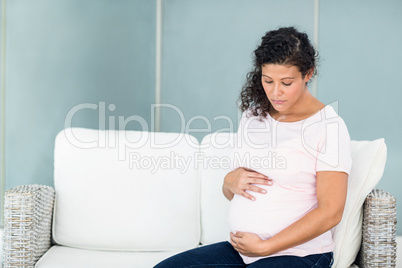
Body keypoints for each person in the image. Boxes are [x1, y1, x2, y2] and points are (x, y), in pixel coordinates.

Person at [154, 26, 352, 268]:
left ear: (308, 74)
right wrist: (228, 183)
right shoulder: (253, 116)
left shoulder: (328, 126)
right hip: (243, 251)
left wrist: (266, 246)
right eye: (268, 80)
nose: (275, 92)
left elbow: (331, 212)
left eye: (286, 83)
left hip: (300, 254)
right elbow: (238, 190)